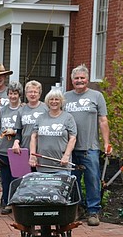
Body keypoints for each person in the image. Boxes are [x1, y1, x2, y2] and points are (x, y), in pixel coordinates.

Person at [64, 64, 111, 226]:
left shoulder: (97, 96)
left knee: (92, 179)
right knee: (72, 181)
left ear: (87, 79)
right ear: (72, 80)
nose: (79, 81)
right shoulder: (65, 97)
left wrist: (107, 143)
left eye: (82, 78)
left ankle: (93, 211)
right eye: (76, 78)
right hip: (69, 149)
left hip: (90, 147)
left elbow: (103, 120)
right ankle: (77, 208)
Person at [0, 81, 23, 214]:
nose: (13, 96)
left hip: (18, 150)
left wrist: (15, 133)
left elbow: (24, 130)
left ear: (19, 94)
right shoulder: (3, 111)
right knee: (5, 178)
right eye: (10, 93)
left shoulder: (23, 109)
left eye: (15, 93)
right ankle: (6, 201)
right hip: (4, 149)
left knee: (18, 178)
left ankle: (16, 203)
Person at [29, 88, 77, 174]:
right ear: (47, 101)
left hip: (61, 166)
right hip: (42, 166)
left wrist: (66, 156)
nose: (54, 101)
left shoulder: (68, 117)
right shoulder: (41, 118)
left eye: (57, 99)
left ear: (61, 101)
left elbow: (72, 138)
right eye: (51, 99)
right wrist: (33, 155)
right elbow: (33, 137)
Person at [12, 80, 48, 156]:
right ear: (26, 94)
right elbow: (19, 132)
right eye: (30, 92)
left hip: (42, 149)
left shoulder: (46, 109)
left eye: (35, 92)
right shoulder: (21, 110)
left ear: (40, 94)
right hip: (25, 148)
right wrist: (16, 142)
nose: (33, 94)